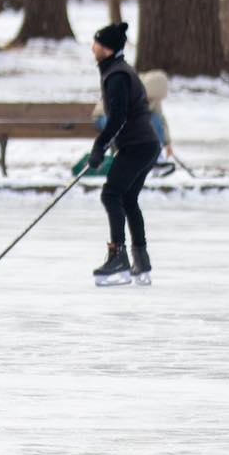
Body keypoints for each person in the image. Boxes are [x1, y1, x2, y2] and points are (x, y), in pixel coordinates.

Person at [86, 22, 161, 286]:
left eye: (96, 43)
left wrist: (99, 146)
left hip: (138, 145)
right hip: (144, 145)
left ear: (106, 48)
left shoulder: (117, 75)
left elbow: (117, 117)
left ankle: (118, 259)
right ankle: (141, 263)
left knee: (111, 194)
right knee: (128, 198)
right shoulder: (116, 70)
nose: (92, 47)